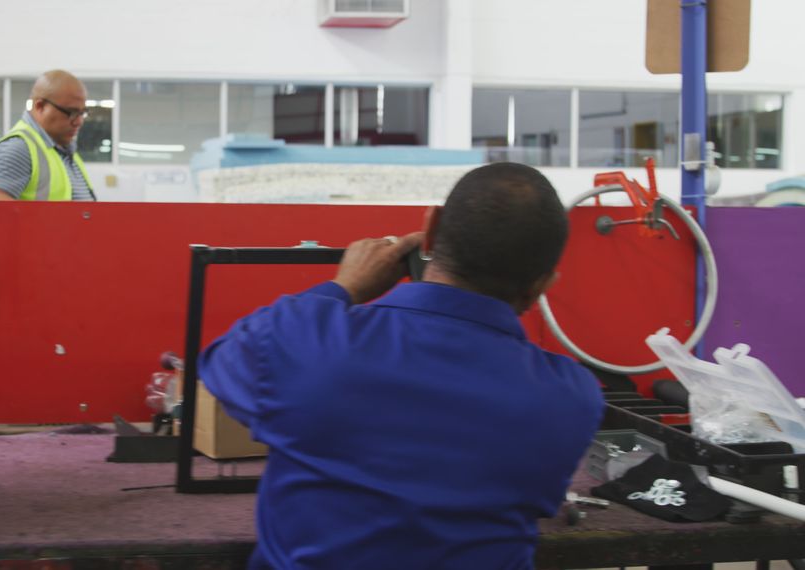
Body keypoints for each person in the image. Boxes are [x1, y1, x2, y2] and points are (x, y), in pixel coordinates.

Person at [199, 162, 605, 569]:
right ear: (542, 286)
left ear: (430, 227)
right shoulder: (571, 399)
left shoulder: (305, 343)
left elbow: (220, 362)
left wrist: (343, 289)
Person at [0, 69, 96, 238]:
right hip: (44, 261)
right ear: (40, 106)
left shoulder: (64, 151)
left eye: (82, 113)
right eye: (71, 112)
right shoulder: (19, 148)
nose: (79, 121)